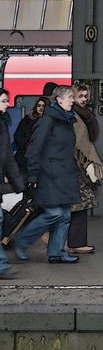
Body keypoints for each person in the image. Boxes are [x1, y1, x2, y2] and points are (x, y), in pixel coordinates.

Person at [12, 86, 81, 264]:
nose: (72, 100)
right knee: (54, 213)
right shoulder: (47, 121)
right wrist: (33, 176)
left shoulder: (66, 120)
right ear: (58, 100)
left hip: (63, 174)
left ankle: (56, 252)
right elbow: (33, 150)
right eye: (69, 97)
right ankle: (22, 241)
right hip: (48, 175)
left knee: (64, 215)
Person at [68, 83, 103, 255]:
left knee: (79, 205)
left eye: (86, 96)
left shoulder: (83, 115)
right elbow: (80, 144)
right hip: (77, 165)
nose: (85, 99)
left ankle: (74, 241)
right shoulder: (75, 117)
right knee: (80, 204)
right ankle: (76, 242)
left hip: (79, 165)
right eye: (81, 96)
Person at [0, 89, 24, 277]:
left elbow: (6, 157)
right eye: (3, 101)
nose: (8, 104)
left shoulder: (2, 124)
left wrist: (17, 183)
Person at [14, 96, 47, 179]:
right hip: (24, 157)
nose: (41, 108)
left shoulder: (49, 122)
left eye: (43, 106)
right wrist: (26, 144)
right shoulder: (27, 119)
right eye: (39, 105)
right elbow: (18, 135)